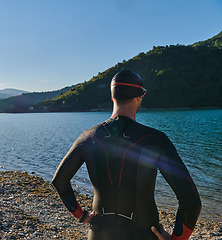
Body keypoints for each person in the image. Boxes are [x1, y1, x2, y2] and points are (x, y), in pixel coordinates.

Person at [51, 70, 201, 240]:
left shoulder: (88, 137)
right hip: (143, 234)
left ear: (112, 97)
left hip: (99, 233)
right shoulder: (155, 140)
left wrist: (82, 216)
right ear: (140, 96)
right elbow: (191, 201)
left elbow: (59, 181)